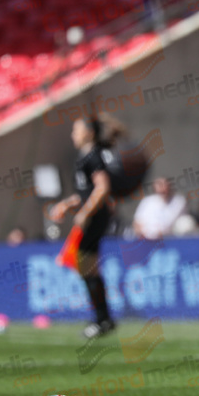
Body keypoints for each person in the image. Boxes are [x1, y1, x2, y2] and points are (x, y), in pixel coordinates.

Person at [49, 116, 122, 339]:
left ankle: (102, 319)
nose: (73, 134)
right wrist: (67, 204)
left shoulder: (94, 156)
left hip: (96, 218)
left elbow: (102, 188)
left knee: (86, 266)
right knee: (86, 267)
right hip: (93, 217)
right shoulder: (84, 157)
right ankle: (103, 318)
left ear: (89, 133)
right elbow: (85, 193)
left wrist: (85, 212)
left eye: (76, 130)